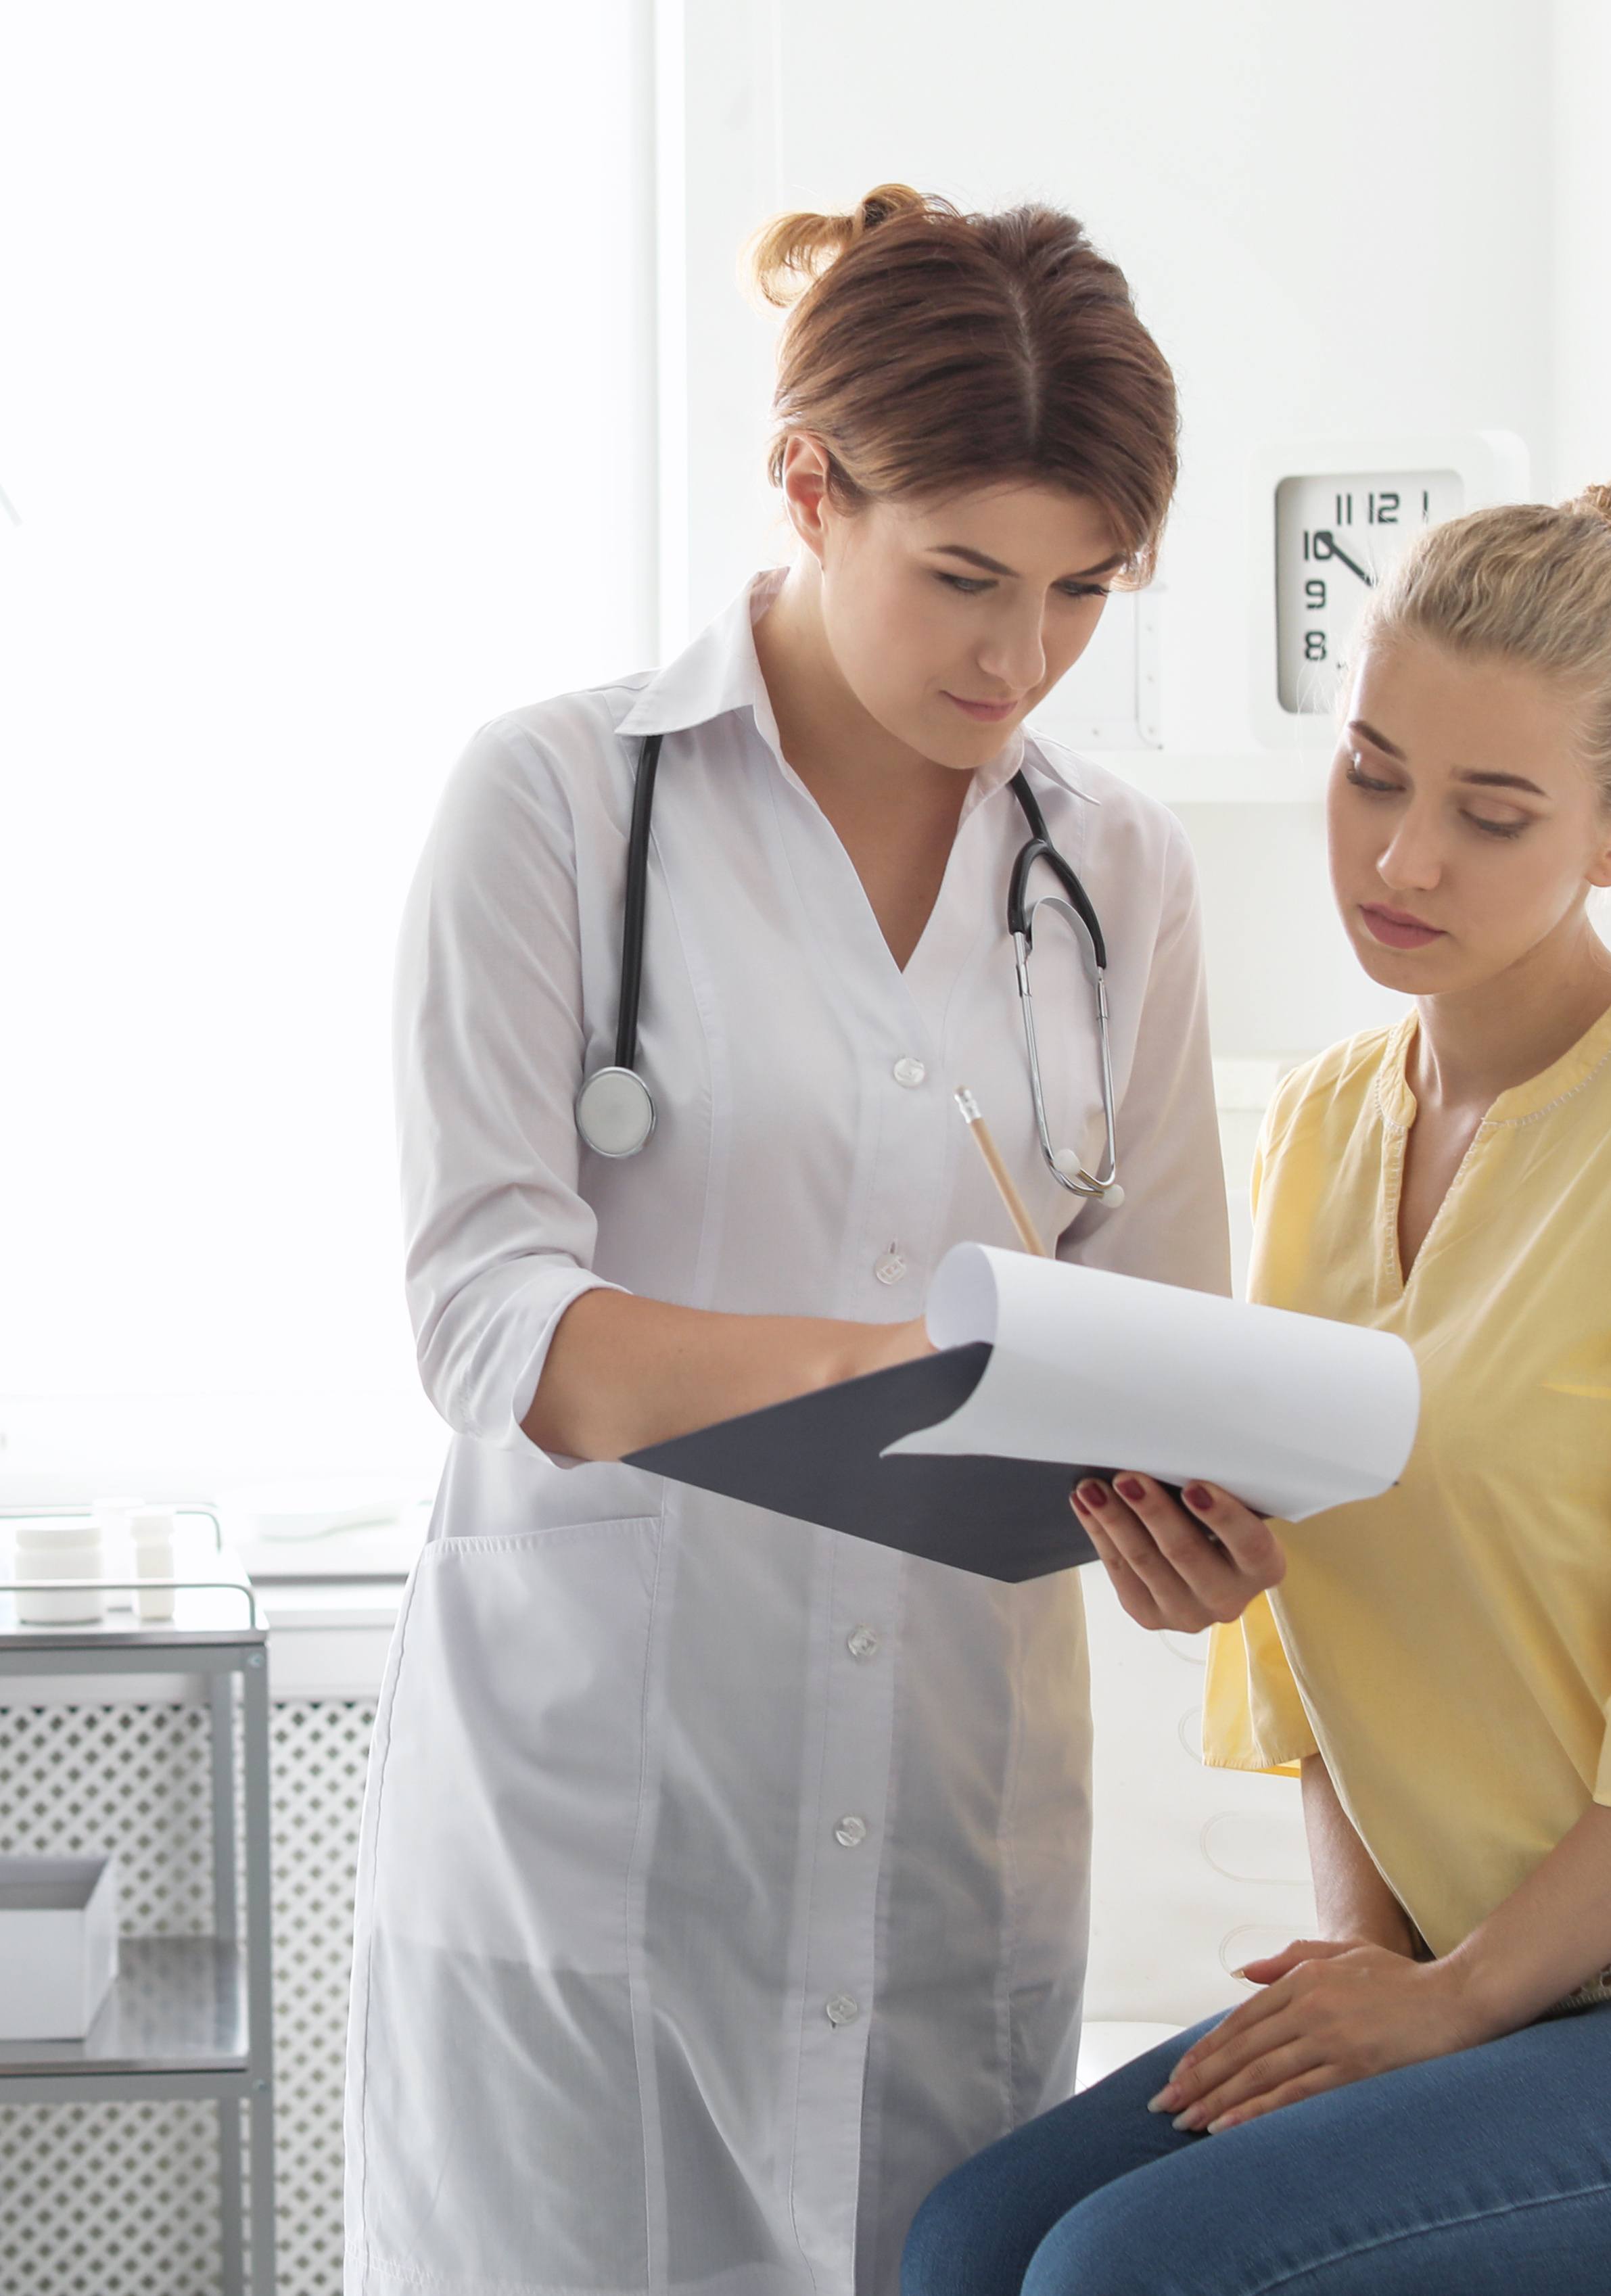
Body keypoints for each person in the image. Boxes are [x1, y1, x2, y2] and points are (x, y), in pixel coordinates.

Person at [905, 473, 1611, 2296]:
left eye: (1493, 815)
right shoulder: (1323, 1123)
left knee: (1123, 2273)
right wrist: (1367, 1955)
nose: (1400, 858)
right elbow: (1327, 1594)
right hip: (1496, 1986)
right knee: (967, 2240)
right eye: (1372, 772)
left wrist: (1456, 2001)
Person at [344, 186, 1229, 2296]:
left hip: (948, 1827)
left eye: (1084, 589)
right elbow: (489, 1314)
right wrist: (873, 1378)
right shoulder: (558, 800)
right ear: (807, 487)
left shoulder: (1117, 873)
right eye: (961, 577)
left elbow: (1164, 1334)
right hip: (600, 1826)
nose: (1019, 656)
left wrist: (1191, 1523)